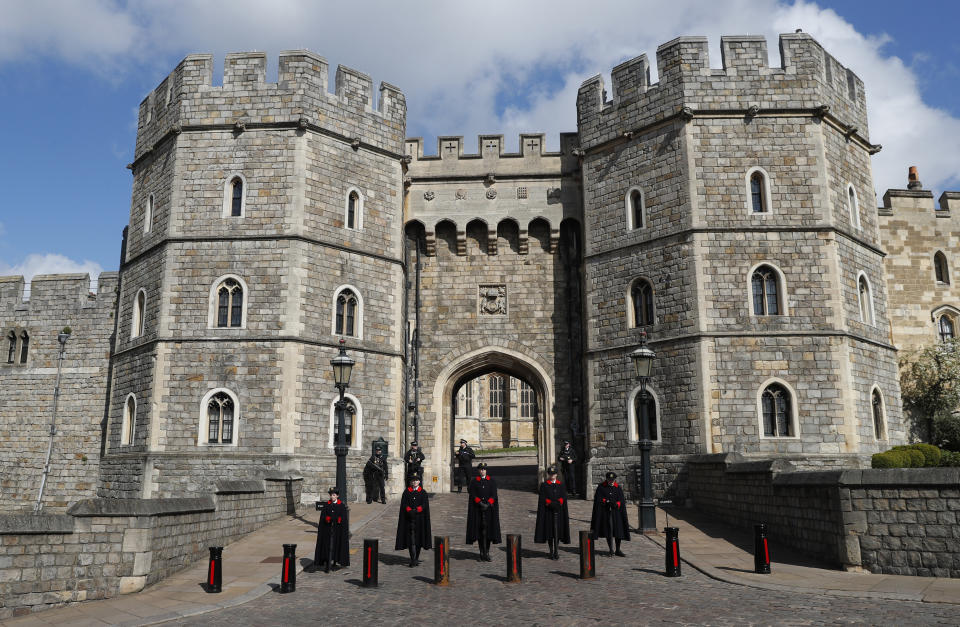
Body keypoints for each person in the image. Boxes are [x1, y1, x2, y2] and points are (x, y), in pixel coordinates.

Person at [466, 461, 501, 561]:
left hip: (489, 510)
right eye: (481, 469)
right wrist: (480, 503)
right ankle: (481, 552)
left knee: (489, 533)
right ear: (478, 470)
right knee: (480, 532)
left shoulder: (491, 481)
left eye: (484, 469)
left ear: (486, 470)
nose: (482, 471)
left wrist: (488, 504)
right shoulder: (474, 481)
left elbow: (494, 494)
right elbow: (472, 494)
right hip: (478, 509)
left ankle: (487, 552)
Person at [534, 465, 570, 560]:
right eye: (550, 474)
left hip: (559, 511)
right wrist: (550, 503)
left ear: (556, 475)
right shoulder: (544, 485)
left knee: (557, 532)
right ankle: (551, 550)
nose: (552, 476)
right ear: (548, 475)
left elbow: (563, 496)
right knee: (550, 532)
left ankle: (556, 550)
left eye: (553, 474)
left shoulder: (561, 485)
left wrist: (559, 503)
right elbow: (543, 498)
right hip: (549, 511)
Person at [590, 471, 630, 557]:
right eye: (609, 480)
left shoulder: (617, 488)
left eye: (612, 480)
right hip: (606, 512)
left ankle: (618, 549)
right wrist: (607, 502)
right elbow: (598, 499)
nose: (611, 481)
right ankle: (611, 549)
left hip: (616, 513)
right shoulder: (601, 487)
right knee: (608, 531)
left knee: (618, 531)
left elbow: (621, 500)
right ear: (607, 479)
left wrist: (617, 504)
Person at [395, 474, 432, 567]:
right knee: (411, 540)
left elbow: (425, 504)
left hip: (420, 520)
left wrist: (418, 510)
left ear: (419, 482)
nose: (414, 482)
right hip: (409, 519)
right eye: (413, 480)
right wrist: (409, 510)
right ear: (410, 482)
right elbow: (404, 503)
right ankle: (412, 559)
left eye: (416, 480)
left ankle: (416, 558)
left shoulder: (423, 492)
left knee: (418, 540)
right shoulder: (407, 492)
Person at [313, 487, 350, 572]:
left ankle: (336, 560)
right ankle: (326, 561)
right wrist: (327, 519)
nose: (332, 497)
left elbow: (344, 518)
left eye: (334, 495)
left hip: (338, 530)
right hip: (328, 529)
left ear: (337, 496)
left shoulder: (341, 506)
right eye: (331, 495)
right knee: (327, 546)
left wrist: (339, 519)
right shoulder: (327, 505)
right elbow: (322, 517)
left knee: (336, 545)